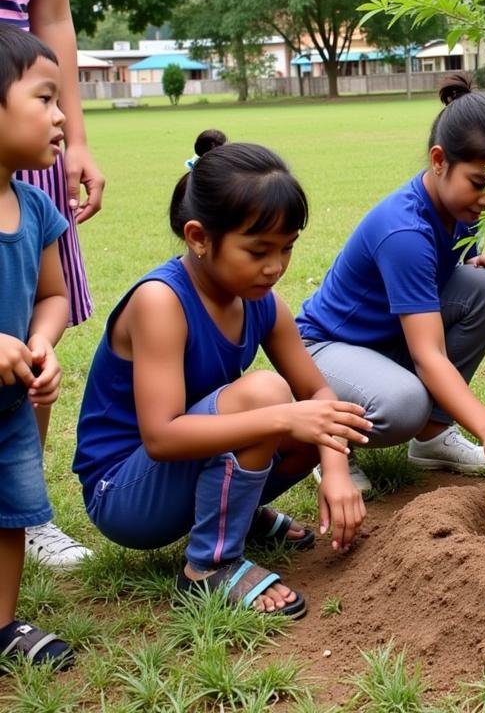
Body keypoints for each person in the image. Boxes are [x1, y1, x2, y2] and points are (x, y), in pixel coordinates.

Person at [73, 130, 372, 617]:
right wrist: (283, 419)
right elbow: (162, 438)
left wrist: (334, 472)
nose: (275, 267)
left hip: (178, 469)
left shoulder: (263, 304)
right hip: (124, 495)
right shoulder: (161, 301)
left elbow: (318, 392)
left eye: (287, 248)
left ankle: (239, 517)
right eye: (258, 251)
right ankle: (210, 566)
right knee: (269, 397)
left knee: (309, 420)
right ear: (199, 238)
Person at [0, 0, 141, 567]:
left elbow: (54, 15)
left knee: (31, 315)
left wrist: (73, 135)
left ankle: (25, 504)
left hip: (26, 123)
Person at [297, 72, 485, 487]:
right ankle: (329, 439)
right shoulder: (404, 232)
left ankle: (433, 437)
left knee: (483, 288)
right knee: (404, 403)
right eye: (480, 184)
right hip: (327, 351)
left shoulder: (459, 209)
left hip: (386, 338)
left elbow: (439, 268)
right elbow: (428, 356)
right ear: (439, 160)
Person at [0, 28, 73, 669]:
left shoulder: (37, 208)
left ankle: (1, 625)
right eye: (46, 99)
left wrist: (41, 343)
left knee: (11, 512)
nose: (61, 116)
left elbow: (54, 296)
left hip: (8, 403)